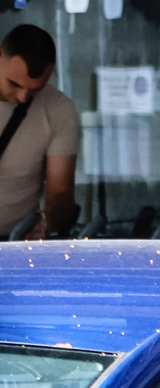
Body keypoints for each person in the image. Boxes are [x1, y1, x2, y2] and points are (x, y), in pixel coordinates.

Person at [0, 26, 78, 241]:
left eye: (36, 89)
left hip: (15, 243)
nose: (23, 97)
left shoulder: (59, 111)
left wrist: (46, 221)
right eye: (14, 84)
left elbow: (61, 194)